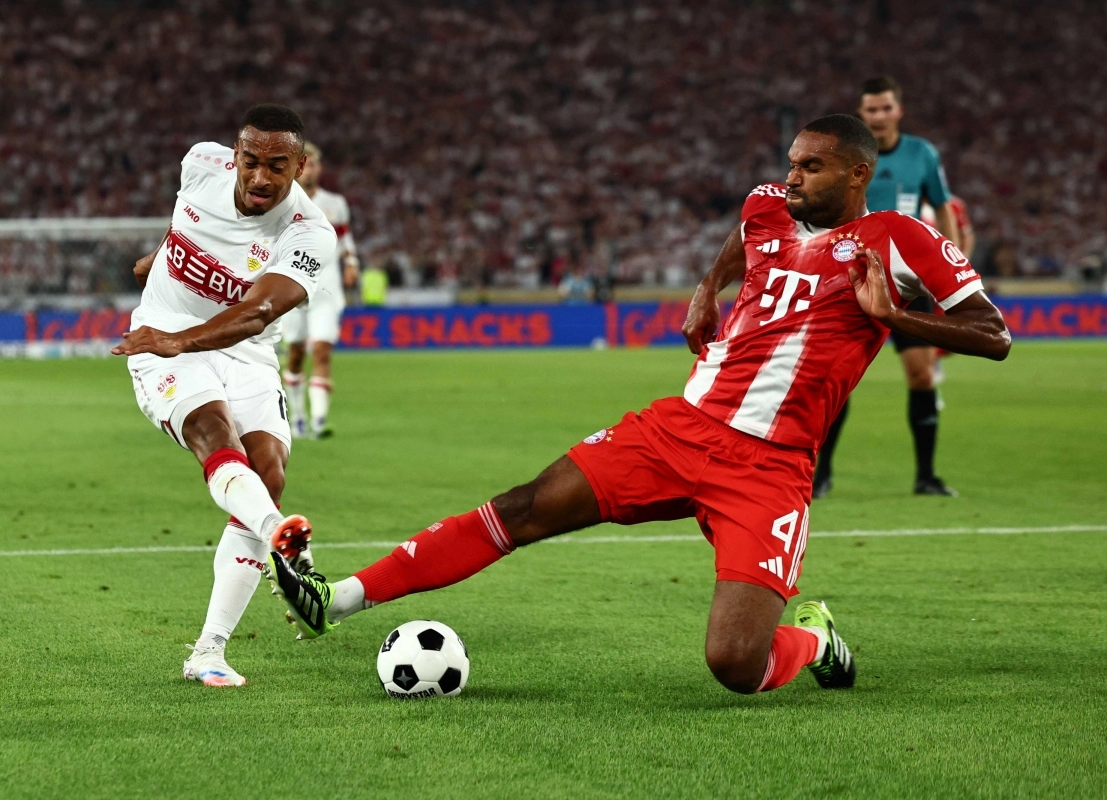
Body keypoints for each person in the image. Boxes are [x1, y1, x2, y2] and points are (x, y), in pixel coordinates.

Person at [265, 116, 1011, 697]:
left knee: (735, 664)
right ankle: (338, 599)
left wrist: (896, 316)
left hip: (771, 465)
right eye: (790, 162)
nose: (791, 177)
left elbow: (994, 334)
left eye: (810, 167)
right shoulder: (765, 206)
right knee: (524, 506)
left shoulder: (898, 239)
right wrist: (707, 289)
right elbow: (743, 241)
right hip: (680, 428)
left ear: (857, 173)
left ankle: (814, 638)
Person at [114, 104, 338, 687]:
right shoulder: (200, 162)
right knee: (214, 434)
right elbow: (184, 223)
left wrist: (178, 340)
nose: (260, 177)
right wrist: (158, 262)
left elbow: (257, 312)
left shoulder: (309, 233)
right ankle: (280, 537)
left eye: (277, 166)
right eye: (251, 161)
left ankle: (208, 652)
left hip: (242, 350)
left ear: (299, 167)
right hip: (164, 336)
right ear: (235, 155)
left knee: (270, 472)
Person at [814, 77, 964, 500]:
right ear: (861, 114)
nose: (879, 116)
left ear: (898, 110)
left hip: (907, 280)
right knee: (835, 378)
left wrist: (951, 263)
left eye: (885, 108)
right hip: (850, 279)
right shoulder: (845, 155)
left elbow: (943, 208)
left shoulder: (922, 153)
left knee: (921, 374)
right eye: (871, 110)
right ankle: (820, 475)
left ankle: (926, 476)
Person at [280, 142, 360, 439]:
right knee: (296, 353)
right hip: (292, 289)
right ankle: (298, 417)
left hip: (327, 289)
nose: (311, 170)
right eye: (306, 164)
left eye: (314, 164)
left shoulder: (335, 203)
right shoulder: (282, 202)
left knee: (323, 351)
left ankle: (319, 420)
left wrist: (351, 262)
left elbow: (345, 239)